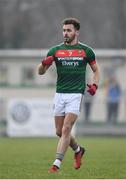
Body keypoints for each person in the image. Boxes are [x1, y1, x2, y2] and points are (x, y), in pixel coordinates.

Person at [37, 18, 100, 173]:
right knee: (59, 132)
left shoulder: (86, 51)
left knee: (66, 128)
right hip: (59, 94)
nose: (65, 33)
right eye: (64, 30)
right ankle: (78, 150)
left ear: (76, 32)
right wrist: (44, 63)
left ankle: (56, 164)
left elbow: (96, 70)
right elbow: (40, 72)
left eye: (69, 30)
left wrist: (95, 85)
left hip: (76, 95)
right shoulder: (55, 51)